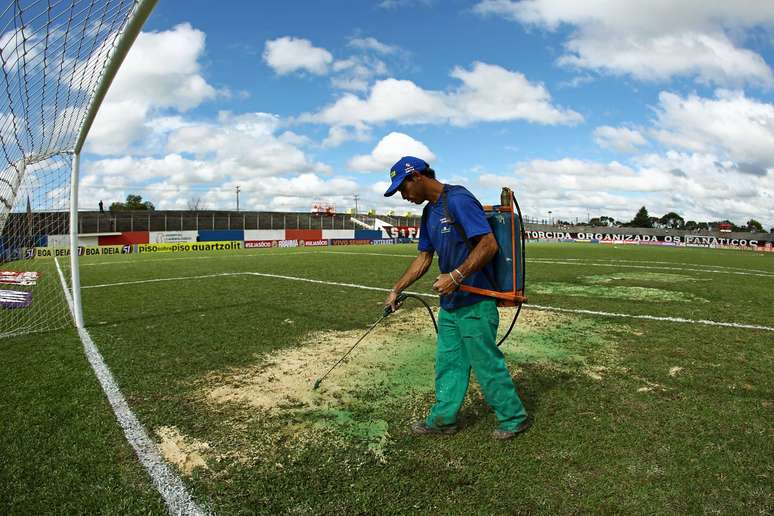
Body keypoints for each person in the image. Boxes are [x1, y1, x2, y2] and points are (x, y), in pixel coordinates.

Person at [383, 156, 531, 440]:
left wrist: (456, 276)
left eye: (402, 189)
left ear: (416, 177)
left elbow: (489, 245)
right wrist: (396, 289)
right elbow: (424, 258)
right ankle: (442, 421)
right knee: (448, 363)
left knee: (486, 363)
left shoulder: (459, 200)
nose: (403, 196)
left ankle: (514, 418)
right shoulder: (429, 214)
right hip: (451, 306)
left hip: (476, 301)